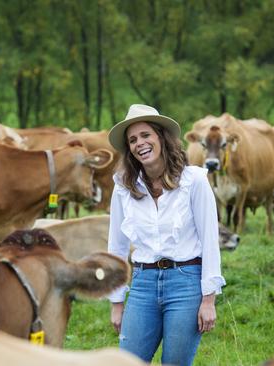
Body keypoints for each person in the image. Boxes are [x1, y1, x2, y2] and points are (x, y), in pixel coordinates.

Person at [106, 104, 226, 366]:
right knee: (128, 361)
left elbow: (209, 241)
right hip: (143, 282)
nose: (140, 144)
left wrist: (209, 299)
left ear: (161, 137)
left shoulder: (194, 181)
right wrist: (116, 301)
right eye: (133, 140)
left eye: (146, 135)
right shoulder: (123, 187)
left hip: (186, 282)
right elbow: (116, 246)